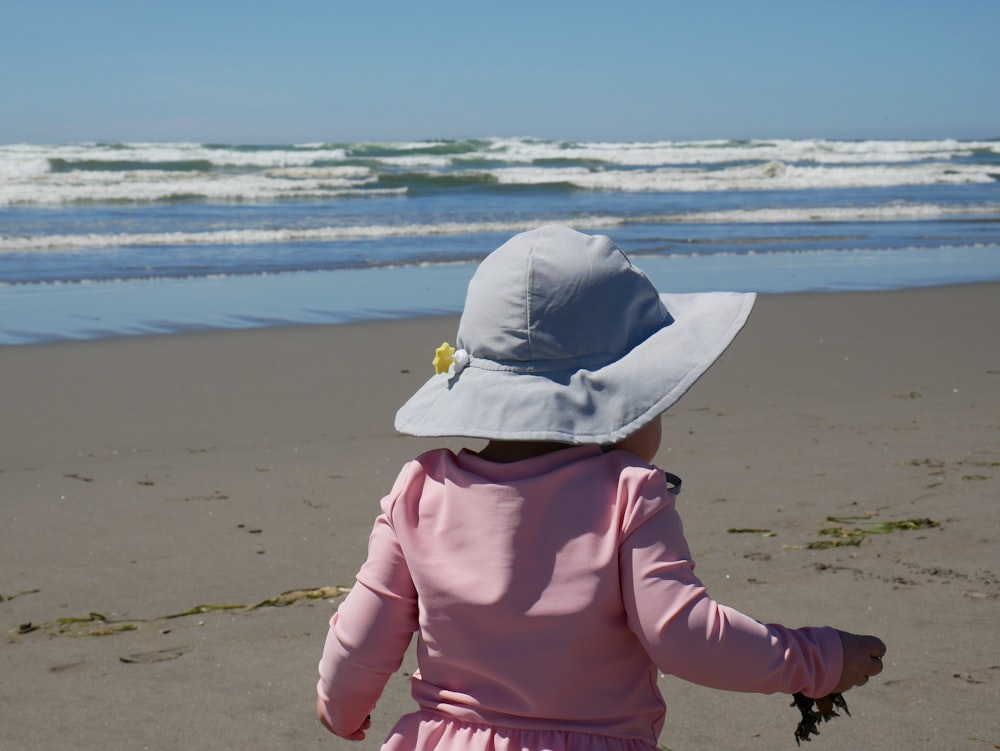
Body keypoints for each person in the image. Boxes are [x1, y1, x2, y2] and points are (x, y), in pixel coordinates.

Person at [316, 225, 885, 750]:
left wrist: (341, 707)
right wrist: (816, 659)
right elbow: (685, 636)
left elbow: (363, 635)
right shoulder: (628, 495)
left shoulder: (420, 489)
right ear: (627, 400)